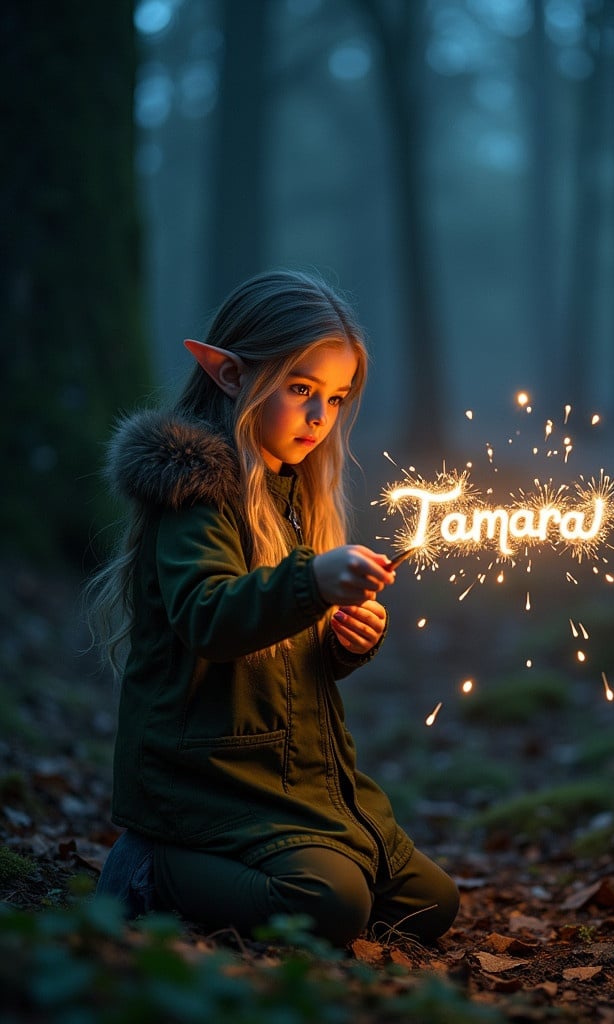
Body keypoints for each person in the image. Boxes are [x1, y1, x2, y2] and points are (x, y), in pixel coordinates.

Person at [89, 269, 459, 948]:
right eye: (300, 390)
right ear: (231, 375)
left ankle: (286, 863)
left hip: (296, 780)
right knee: (331, 904)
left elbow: (286, 656)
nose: (320, 418)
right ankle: (150, 868)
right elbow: (210, 618)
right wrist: (312, 582)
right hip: (209, 781)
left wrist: (345, 639)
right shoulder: (196, 495)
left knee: (431, 905)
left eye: (337, 398)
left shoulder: (295, 497)